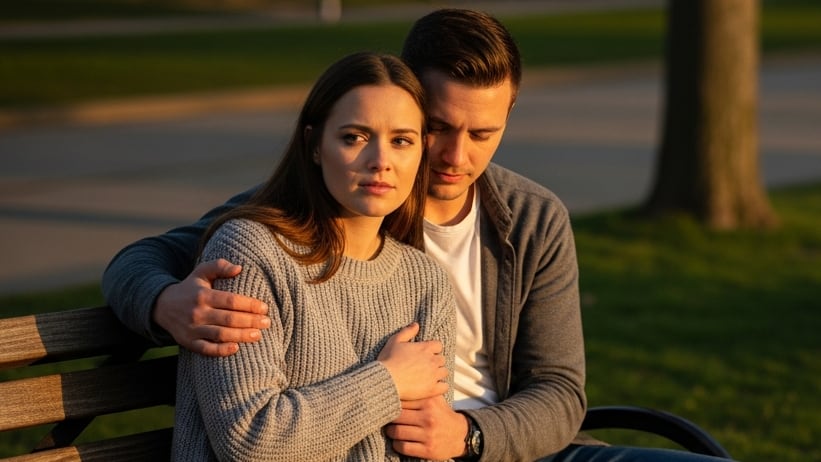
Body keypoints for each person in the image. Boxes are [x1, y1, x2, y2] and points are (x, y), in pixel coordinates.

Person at [103, 8, 732, 462]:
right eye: (435, 128)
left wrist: (471, 437)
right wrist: (162, 302)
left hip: (507, 447)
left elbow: (561, 392)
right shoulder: (332, 201)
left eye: (483, 134)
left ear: (509, 116)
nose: (456, 156)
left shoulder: (535, 217)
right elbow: (144, 257)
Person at [168, 51, 456, 461]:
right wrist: (388, 381)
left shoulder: (425, 280)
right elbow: (251, 440)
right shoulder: (251, 253)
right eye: (354, 137)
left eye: (401, 141)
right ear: (315, 145)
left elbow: (426, 444)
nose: (381, 162)